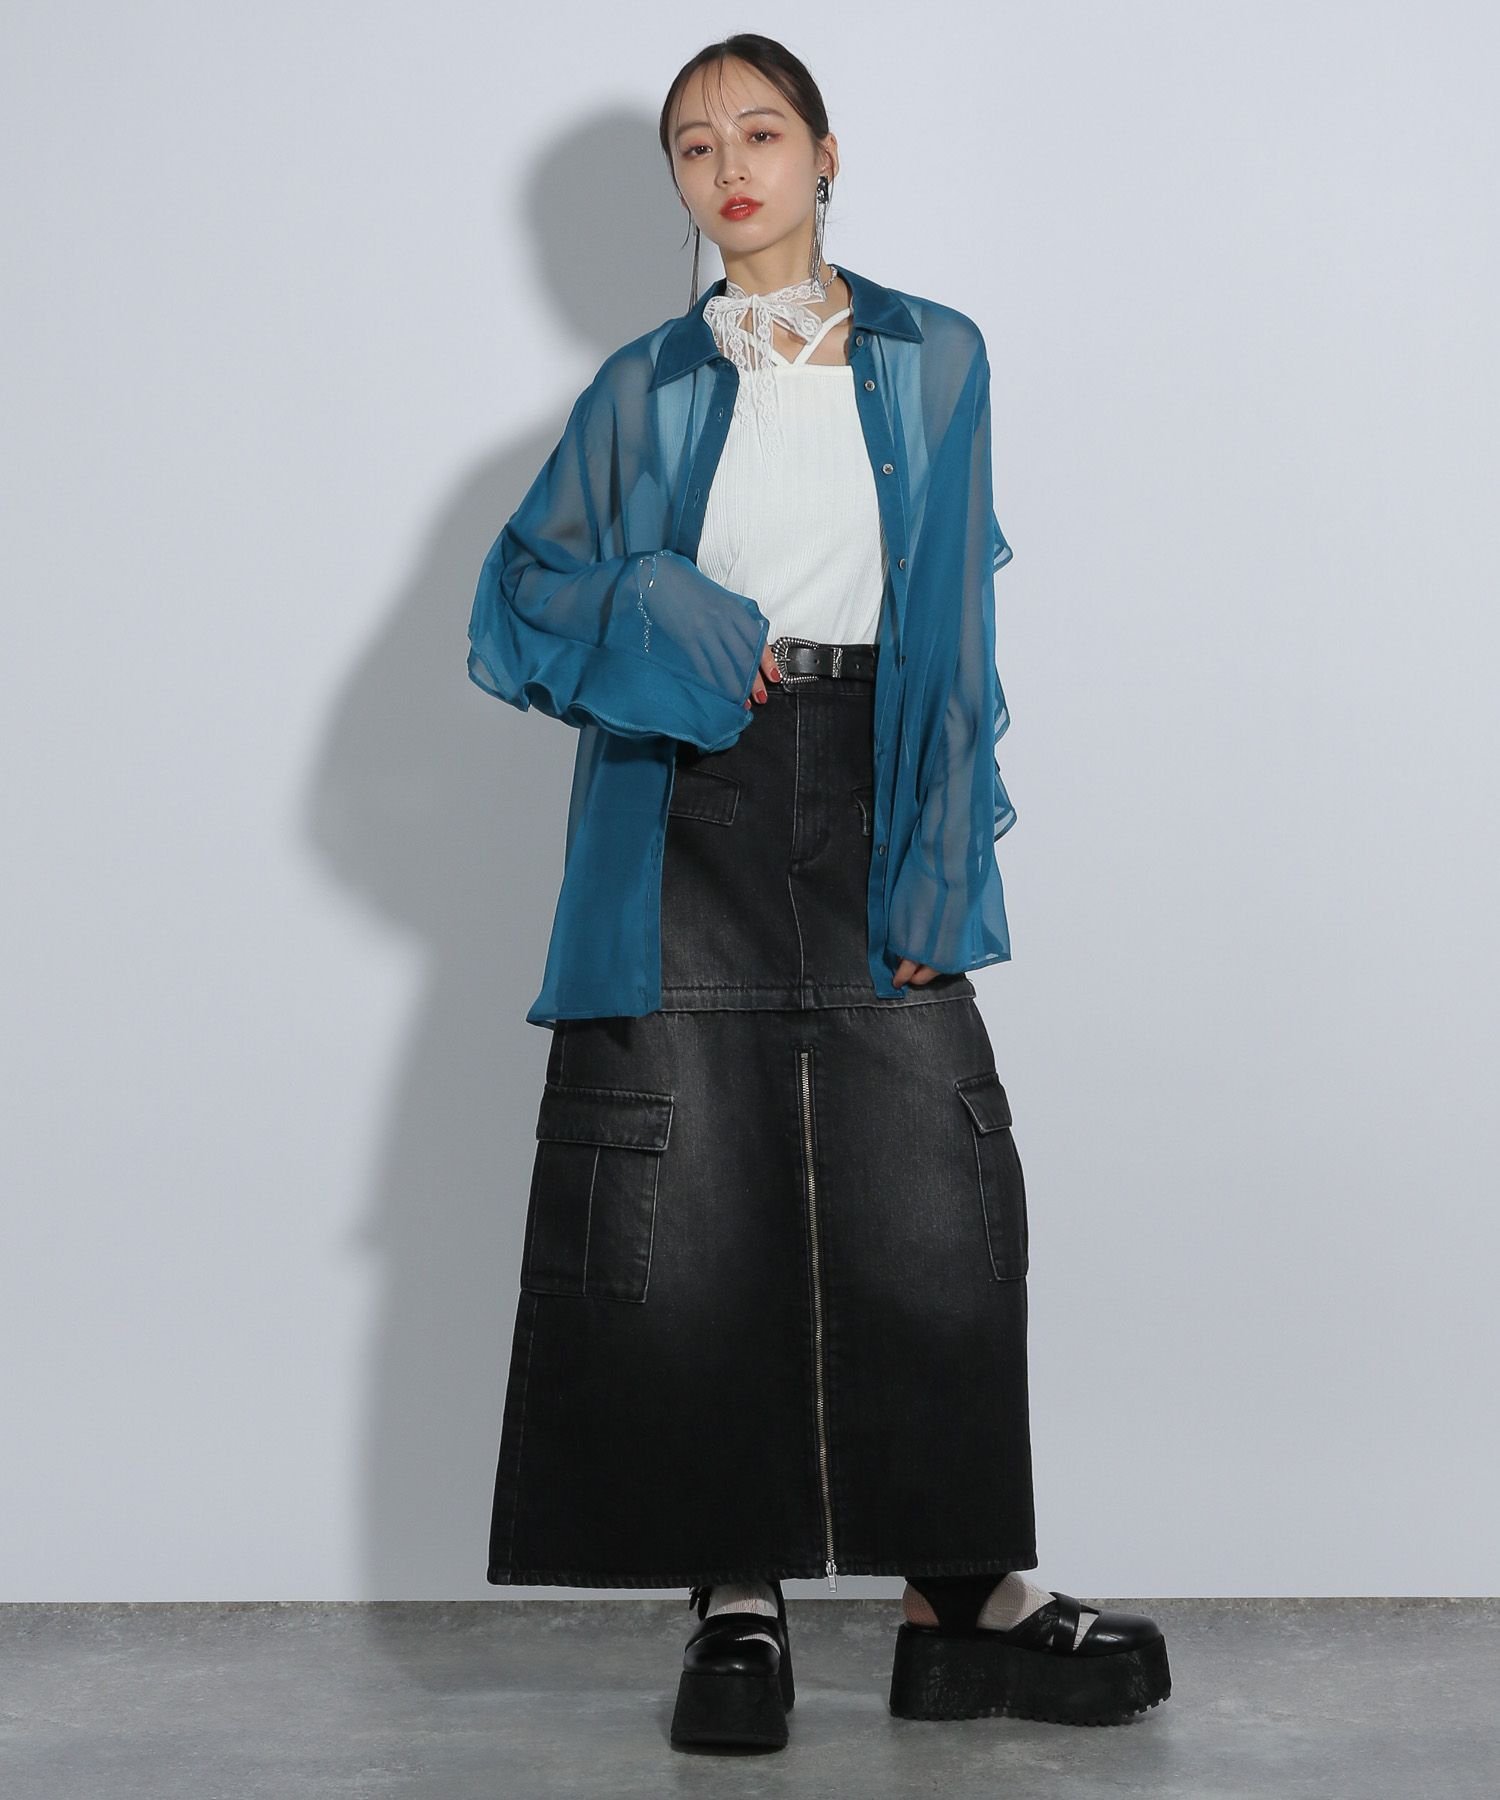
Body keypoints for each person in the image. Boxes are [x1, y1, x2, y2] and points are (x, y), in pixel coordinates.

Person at [467, 33, 1171, 1753]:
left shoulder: (938, 357)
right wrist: (672, 614)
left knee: (932, 1198)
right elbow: (518, 598)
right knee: (699, 1205)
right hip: (687, 798)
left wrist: (942, 862)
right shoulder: (642, 387)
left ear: (826, 154)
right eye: (695, 145)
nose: (731, 168)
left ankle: (965, 1598)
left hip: (875, 777)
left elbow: (959, 631)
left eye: (762, 132)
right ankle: (737, 1600)